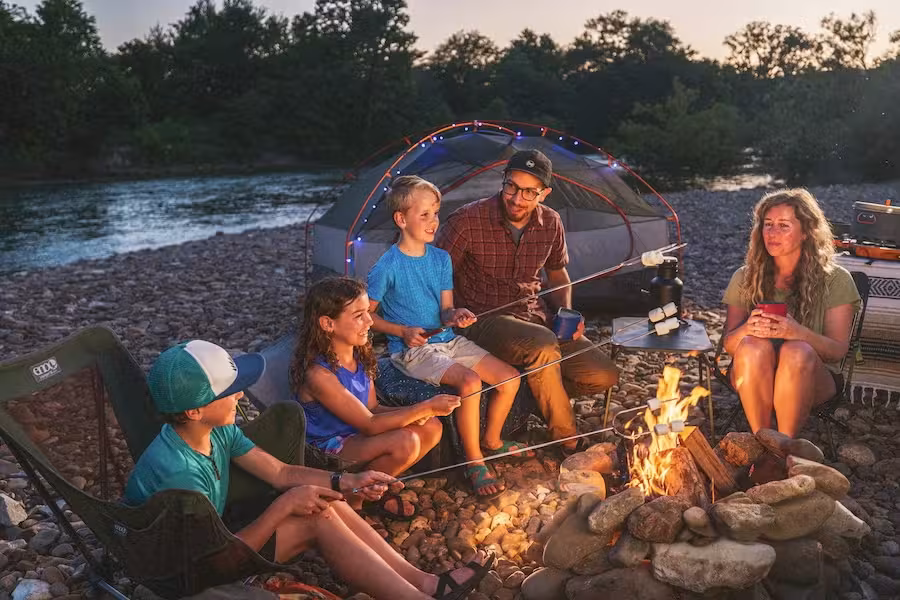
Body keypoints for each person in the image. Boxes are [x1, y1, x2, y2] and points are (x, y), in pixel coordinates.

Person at [125, 339, 493, 600]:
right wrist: (285, 505)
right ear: (194, 411)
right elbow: (219, 559)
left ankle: (424, 583)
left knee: (326, 501)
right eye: (230, 391)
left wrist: (348, 480)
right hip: (185, 572)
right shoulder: (179, 474)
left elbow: (281, 473)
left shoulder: (217, 430)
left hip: (211, 542)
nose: (239, 395)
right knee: (314, 517)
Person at [435, 149, 618, 452]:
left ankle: (531, 399)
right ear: (503, 180)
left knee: (603, 374)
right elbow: (434, 275)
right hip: (483, 320)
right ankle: (566, 439)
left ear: (544, 193)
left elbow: (558, 274)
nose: (517, 198)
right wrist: (446, 314)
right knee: (542, 345)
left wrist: (568, 313)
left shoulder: (551, 222)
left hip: (536, 317)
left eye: (529, 192)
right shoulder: (467, 220)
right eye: (511, 186)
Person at [367, 175, 523, 499]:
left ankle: (492, 440)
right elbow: (366, 317)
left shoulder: (441, 259)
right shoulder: (387, 266)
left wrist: (457, 315)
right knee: (470, 382)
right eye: (424, 214)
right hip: (413, 351)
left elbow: (446, 310)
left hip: (449, 340)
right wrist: (402, 331)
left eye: (436, 213)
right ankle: (474, 462)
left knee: (510, 379)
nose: (433, 221)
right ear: (401, 219)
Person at [290, 276, 461, 514]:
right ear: (328, 323)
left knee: (431, 426)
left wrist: (421, 414)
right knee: (406, 441)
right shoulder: (319, 375)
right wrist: (424, 407)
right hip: (325, 449)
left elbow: (373, 408)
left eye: (368, 313)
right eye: (359, 315)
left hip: (357, 435)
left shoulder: (359, 356)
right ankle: (354, 503)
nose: (370, 321)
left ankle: (372, 489)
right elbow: (369, 424)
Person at [722, 188, 861, 437]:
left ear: (806, 231)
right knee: (751, 345)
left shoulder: (836, 280)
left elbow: (837, 351)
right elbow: (730, 345)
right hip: (754, 373)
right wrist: (746, 330)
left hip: (813, 377)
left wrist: (797, 333)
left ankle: (781, 443)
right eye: (768, 224)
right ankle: (769, 442)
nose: (772, 233)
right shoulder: (745, 277)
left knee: (797, 350)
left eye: (784, 225)